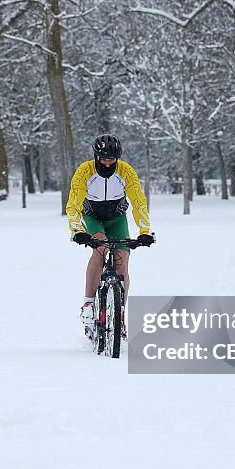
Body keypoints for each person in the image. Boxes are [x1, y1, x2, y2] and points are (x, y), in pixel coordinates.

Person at [67, 134, 154, 337]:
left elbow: (138, 201)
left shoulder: (126, 171)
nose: (107, 163)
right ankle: (88, 304)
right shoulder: (85, 171)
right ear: (96, 157)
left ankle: (119, 315)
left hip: (117, 218)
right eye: (103, 159)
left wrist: (145, 232)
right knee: (101, 247)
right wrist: (77, 230)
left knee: (123, 261)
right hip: (92, 217)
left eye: (111, 159)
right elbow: (73, 204)